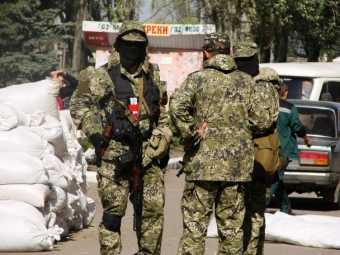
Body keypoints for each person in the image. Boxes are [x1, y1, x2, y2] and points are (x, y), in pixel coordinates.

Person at [70, 21, 172, 255]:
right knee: (113, 218)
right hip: (114, 158)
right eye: (128, 44)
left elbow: (162, 116)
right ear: (118, 45)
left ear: (145, 47)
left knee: (152, 217)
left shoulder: (153, 76)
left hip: (148, 158)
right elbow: (78, 105)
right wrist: (96, 136)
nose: (133, 50)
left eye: (138, 45)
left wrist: (162, 141)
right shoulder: (100, 75)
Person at [169, 33, 274, 255]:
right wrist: (240, 132)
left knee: (194, 231)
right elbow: (262, 121)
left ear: (206, 53)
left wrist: (191, 133)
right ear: (229, 52)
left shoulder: (197, 79)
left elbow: (176, 107)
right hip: (236, 170)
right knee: (232, 232)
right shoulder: (247, 81)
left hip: (201, 167)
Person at [234, 41, 280, 255]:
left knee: (252, 213)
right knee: (243, 212)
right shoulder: (247, 85)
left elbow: (263, 121)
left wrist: (236, 124)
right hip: (246, 157)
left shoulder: (262, 87)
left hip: (257, 156)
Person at [269, 82, 310, 213]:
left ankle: (285, 208)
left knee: (275, 178)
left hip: (266, 148)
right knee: (276, 179)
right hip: (283, 150)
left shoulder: (267, 106)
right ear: (285, 92)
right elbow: (296, 126)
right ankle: (263, 203)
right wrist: (305, 136)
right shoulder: (289, 108)